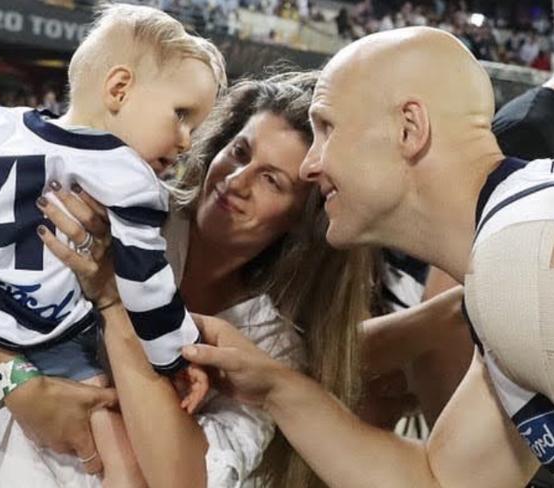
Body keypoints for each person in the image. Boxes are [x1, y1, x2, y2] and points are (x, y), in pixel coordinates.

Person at [0, 71, 376, 487]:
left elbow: (182, 480)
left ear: (301, 220)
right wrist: (20, 384)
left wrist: (113, 300)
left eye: (272, 180)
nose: (237, 180)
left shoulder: (268, 344)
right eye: (240, 152)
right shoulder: (124, 199)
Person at [181, 27, 553, 486]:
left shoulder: (524, 260)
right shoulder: (506, 266)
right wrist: (276, 386)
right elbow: (441, 480)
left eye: (327, 128)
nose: (309, 166)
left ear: (408, 129)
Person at [0, 4, 225, 485]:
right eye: (181, 116)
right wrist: (175, 355)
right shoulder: (129, 179)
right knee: (110, 439)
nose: (184, 141)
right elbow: (145, 288)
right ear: (119, 89)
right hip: (54, 336)